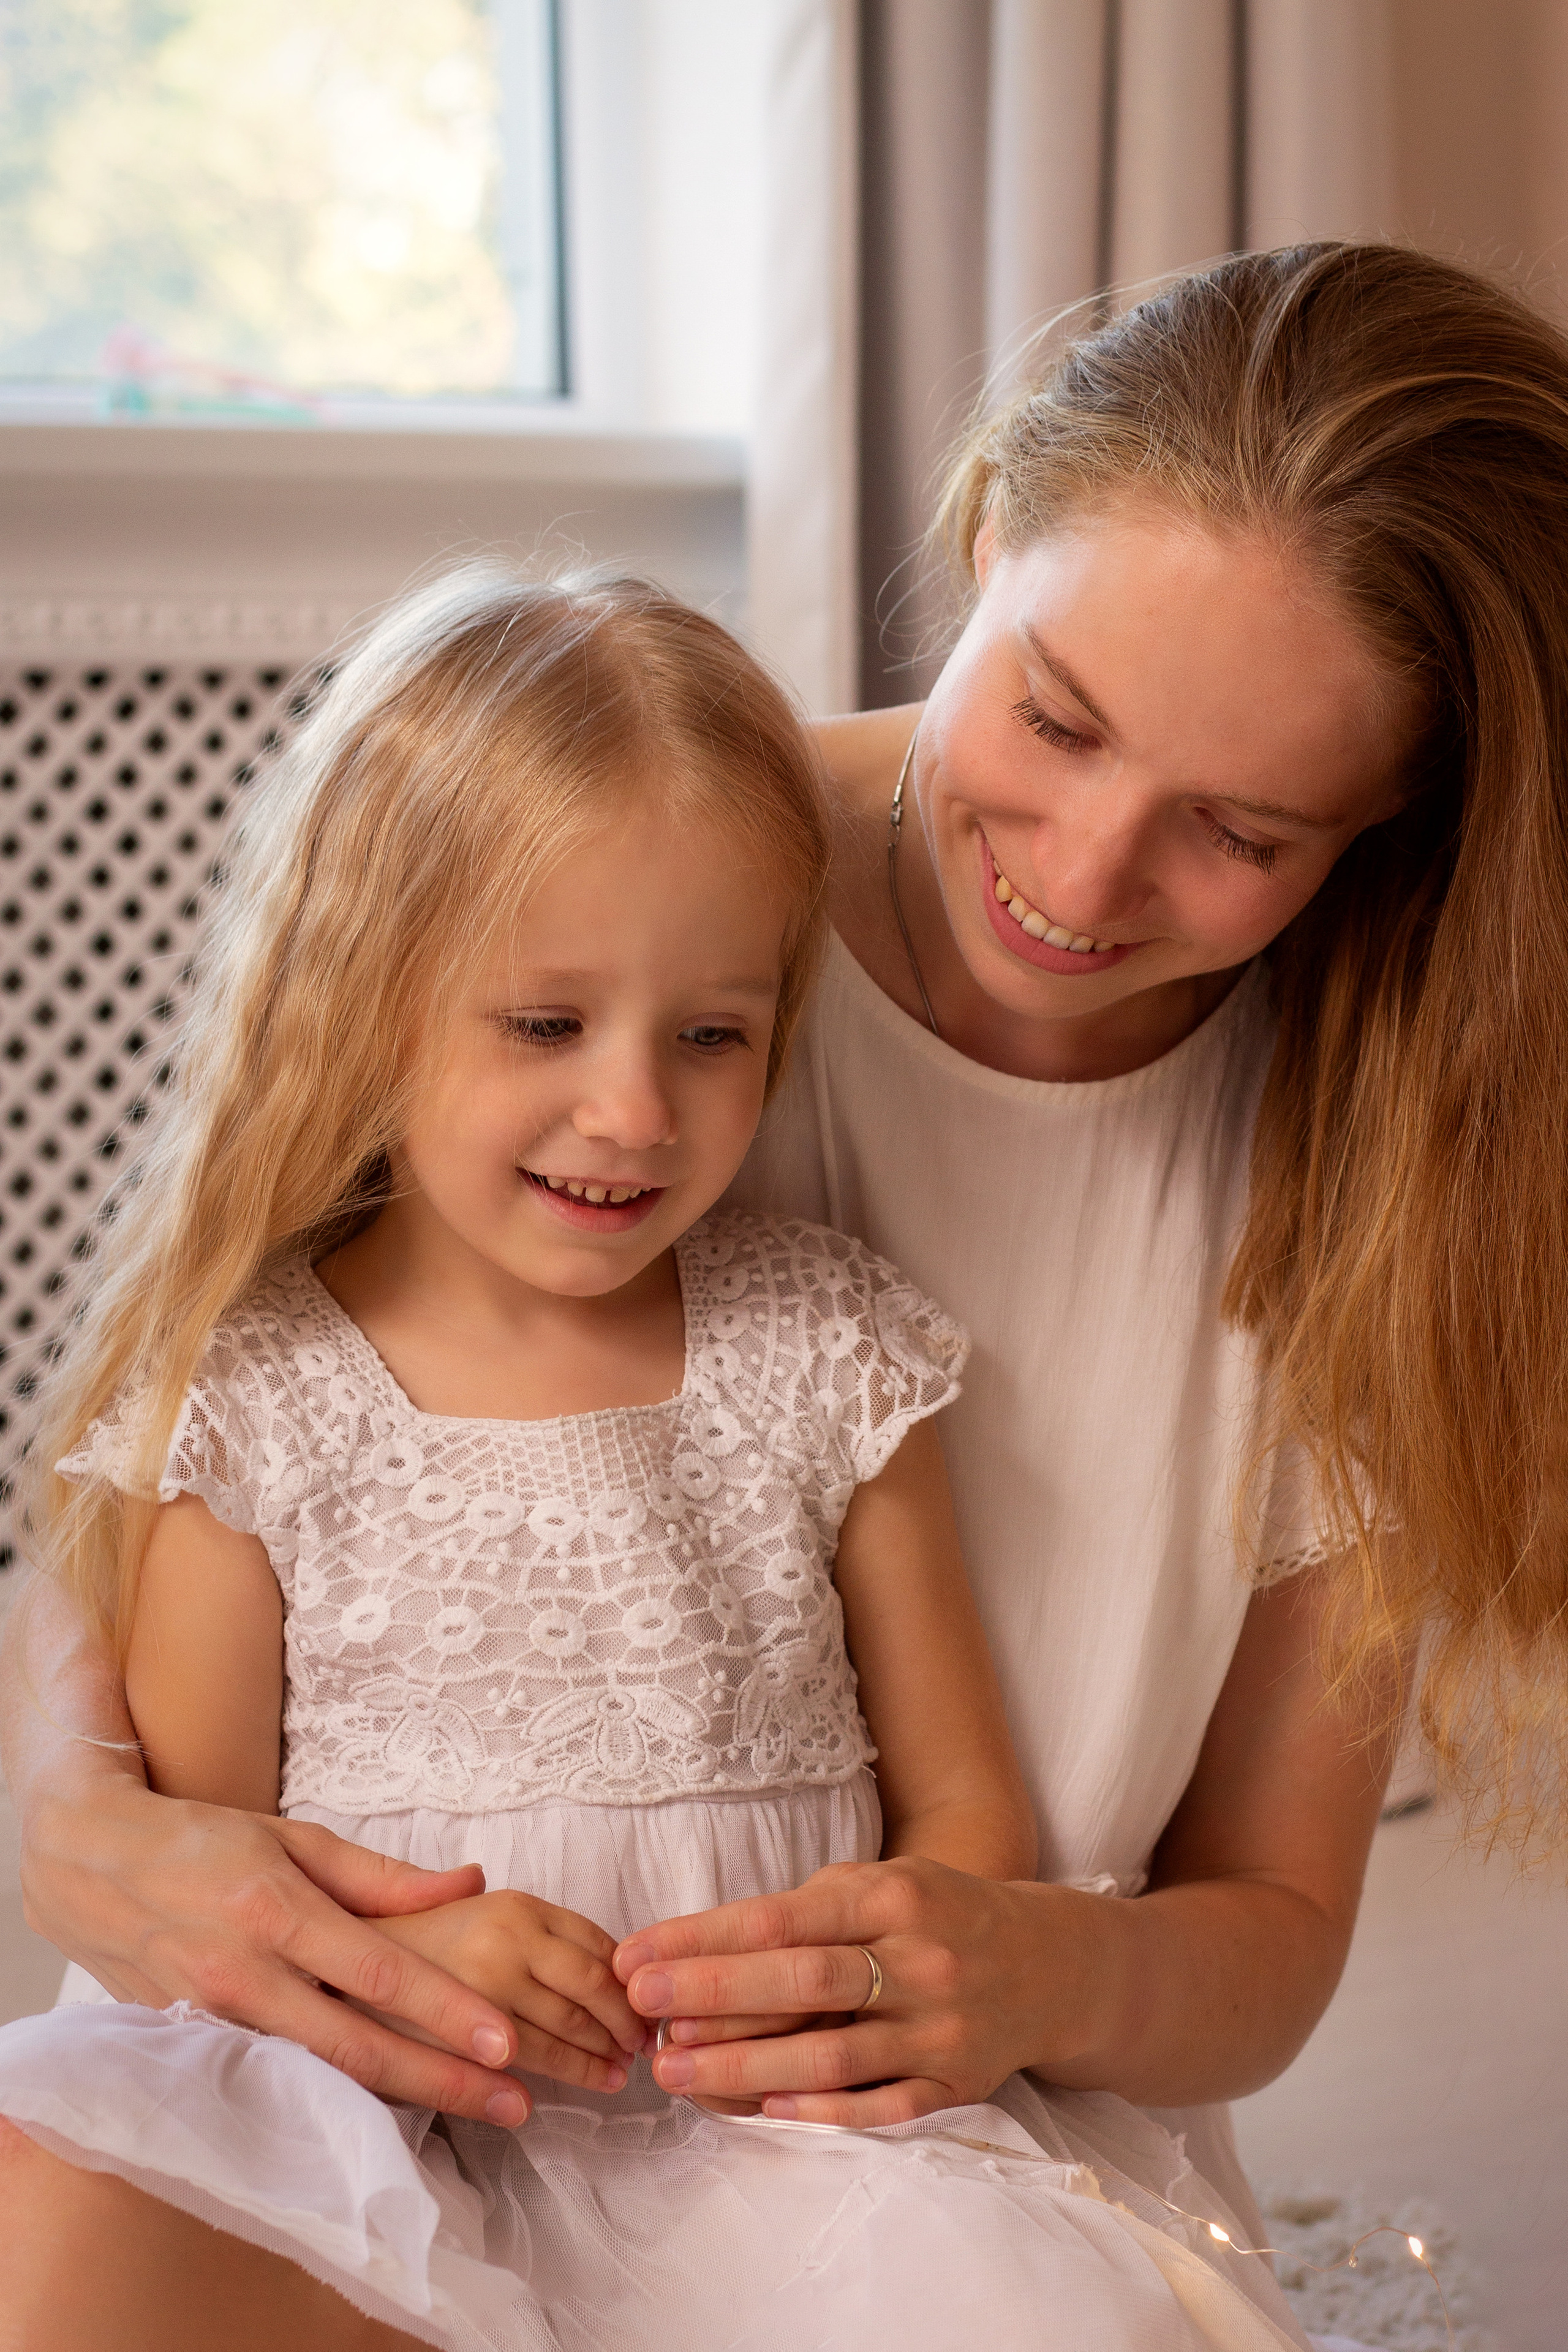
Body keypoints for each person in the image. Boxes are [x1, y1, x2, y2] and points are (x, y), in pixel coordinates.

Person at [7, 236, 1568, 2328]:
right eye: (1058, 715)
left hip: (898, 2142)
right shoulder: (629, 877)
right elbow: (206, 1409)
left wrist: (1032, 1964)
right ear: (990, 532)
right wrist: (81, 1812)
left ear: (1392, 828)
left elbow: (1270, 1928)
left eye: (1243, 832)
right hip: (379, 2083)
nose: (1082, 878)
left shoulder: (1383, 1171)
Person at [0, 566, 1309, 2350]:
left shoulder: (829, 1347)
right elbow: (207, 1881)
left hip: (766, 2148)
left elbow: (967, 1806)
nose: (634, 1111)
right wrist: (412, 1975)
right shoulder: (253, 1397)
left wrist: (844, 1962)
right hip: (384, 2119)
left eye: (712, 1036)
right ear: (363, 1003)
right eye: (547, 1024)